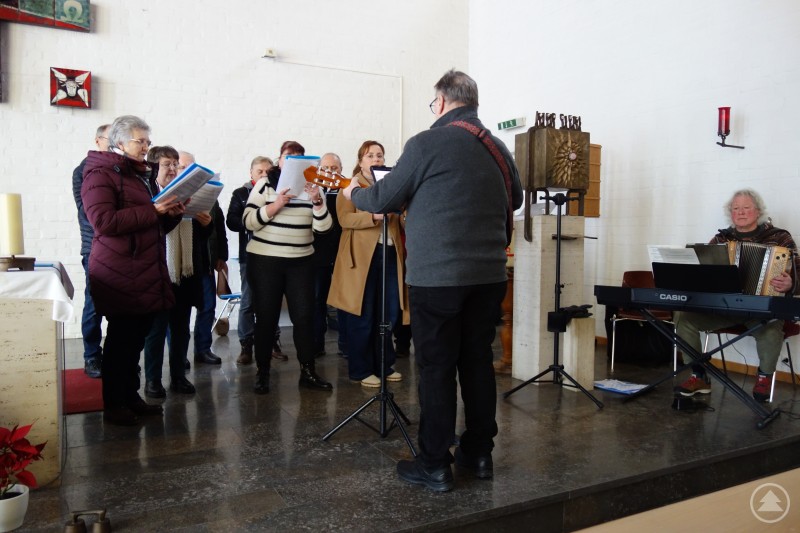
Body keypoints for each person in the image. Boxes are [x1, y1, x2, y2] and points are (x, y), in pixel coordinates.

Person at [343, 70, 523, 491]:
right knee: (477, 362)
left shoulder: (426, 143)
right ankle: (478, 455)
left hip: (439, 278)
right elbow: (514, 197)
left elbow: (384, 199)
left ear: (441, 102)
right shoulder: (496, 146)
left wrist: (354, 193)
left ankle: (434, 463)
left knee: (437, 367)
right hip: (489, 276)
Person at [81, 115, 185, 425]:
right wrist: (153, 209)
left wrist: (171, 214)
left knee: (134, 341)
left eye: (148, 141)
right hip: (118, 271)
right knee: (119, 343)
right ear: (120, 142)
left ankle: (130, 397)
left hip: (141, 268)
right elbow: (104, 222)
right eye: (141, 141)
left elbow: (150, 224)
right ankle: (114, 405)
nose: (146, 147)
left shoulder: (136, 176)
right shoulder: (100, 174)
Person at [674, 188, 800, 402]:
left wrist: (791, 283)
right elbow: (703, 272)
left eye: (746, 208)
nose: (741, 212)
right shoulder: (720, 239)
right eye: (736, 209)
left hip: (762, 310)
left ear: (757, 211)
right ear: (730, 213)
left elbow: (798, 272)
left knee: (771, 330)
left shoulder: (780, 237)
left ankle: (764, 377)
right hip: (724, 308)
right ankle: (699, 374)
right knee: (683, 318)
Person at [243, 141, 334, 394]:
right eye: (287, 157)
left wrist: (317, 202)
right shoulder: (265, 185)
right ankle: (263, 373)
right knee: (267, 317)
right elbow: (248, 221)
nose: (292, 161)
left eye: (298, 158)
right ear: (279, 161)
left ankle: (307, 372)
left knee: (304, 317)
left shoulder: (313, 188)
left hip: (301, 261)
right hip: (265, 261)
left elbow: (323, 229)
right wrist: (276, 205)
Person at [329, 141, 406, 387]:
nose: (376, 159)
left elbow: (400, 221)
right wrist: (373, 216)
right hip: (361, 258)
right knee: (363, 313)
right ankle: (361, 369)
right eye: (370, 155)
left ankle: (384, 365)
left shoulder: (390, 185)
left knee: (389, 313)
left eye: (379, 155)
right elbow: (344, 219)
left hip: (391, 253)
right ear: (360, 161)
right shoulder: (349, 185)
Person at [225, 156, 282, 365]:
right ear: (251, 174)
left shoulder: (278, 192)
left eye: (268, 171)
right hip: (249, 256)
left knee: (272, 301)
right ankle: (246, 345)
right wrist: (255, 220)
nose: (264, 175)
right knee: (248, 302)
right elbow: (231, 221)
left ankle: (273, 343)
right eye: (260, 171)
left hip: (273, 255)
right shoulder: (240, 194)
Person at [178, 150, 227, 367]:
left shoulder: (208, 196)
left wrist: (221, 256)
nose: (187, 171)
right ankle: (178, 355)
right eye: (182, 167)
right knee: (180, 313)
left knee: (207, 307)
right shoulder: (171, 196)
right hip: (180, 264)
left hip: (205, 261)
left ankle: (203, 349)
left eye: (191, 167)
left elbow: (219, 228)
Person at [71, 123, 110, 378]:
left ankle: (112, 355)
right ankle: (91, 356)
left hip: (118, 246)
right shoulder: (83, 170)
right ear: (98, 141)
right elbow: (89, 214)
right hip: (95, 246)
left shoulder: (121, 170)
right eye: (111, 139)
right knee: (94, 305)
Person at [311, 152, 345, 357]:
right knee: (317, 300)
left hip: (342, 253)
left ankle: (346, 344)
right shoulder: (312, 191)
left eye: (335, 168)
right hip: (318, 255)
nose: (330, 172)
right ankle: (317, 343)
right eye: (326, 168)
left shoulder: (348, 190)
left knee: (344, 300)